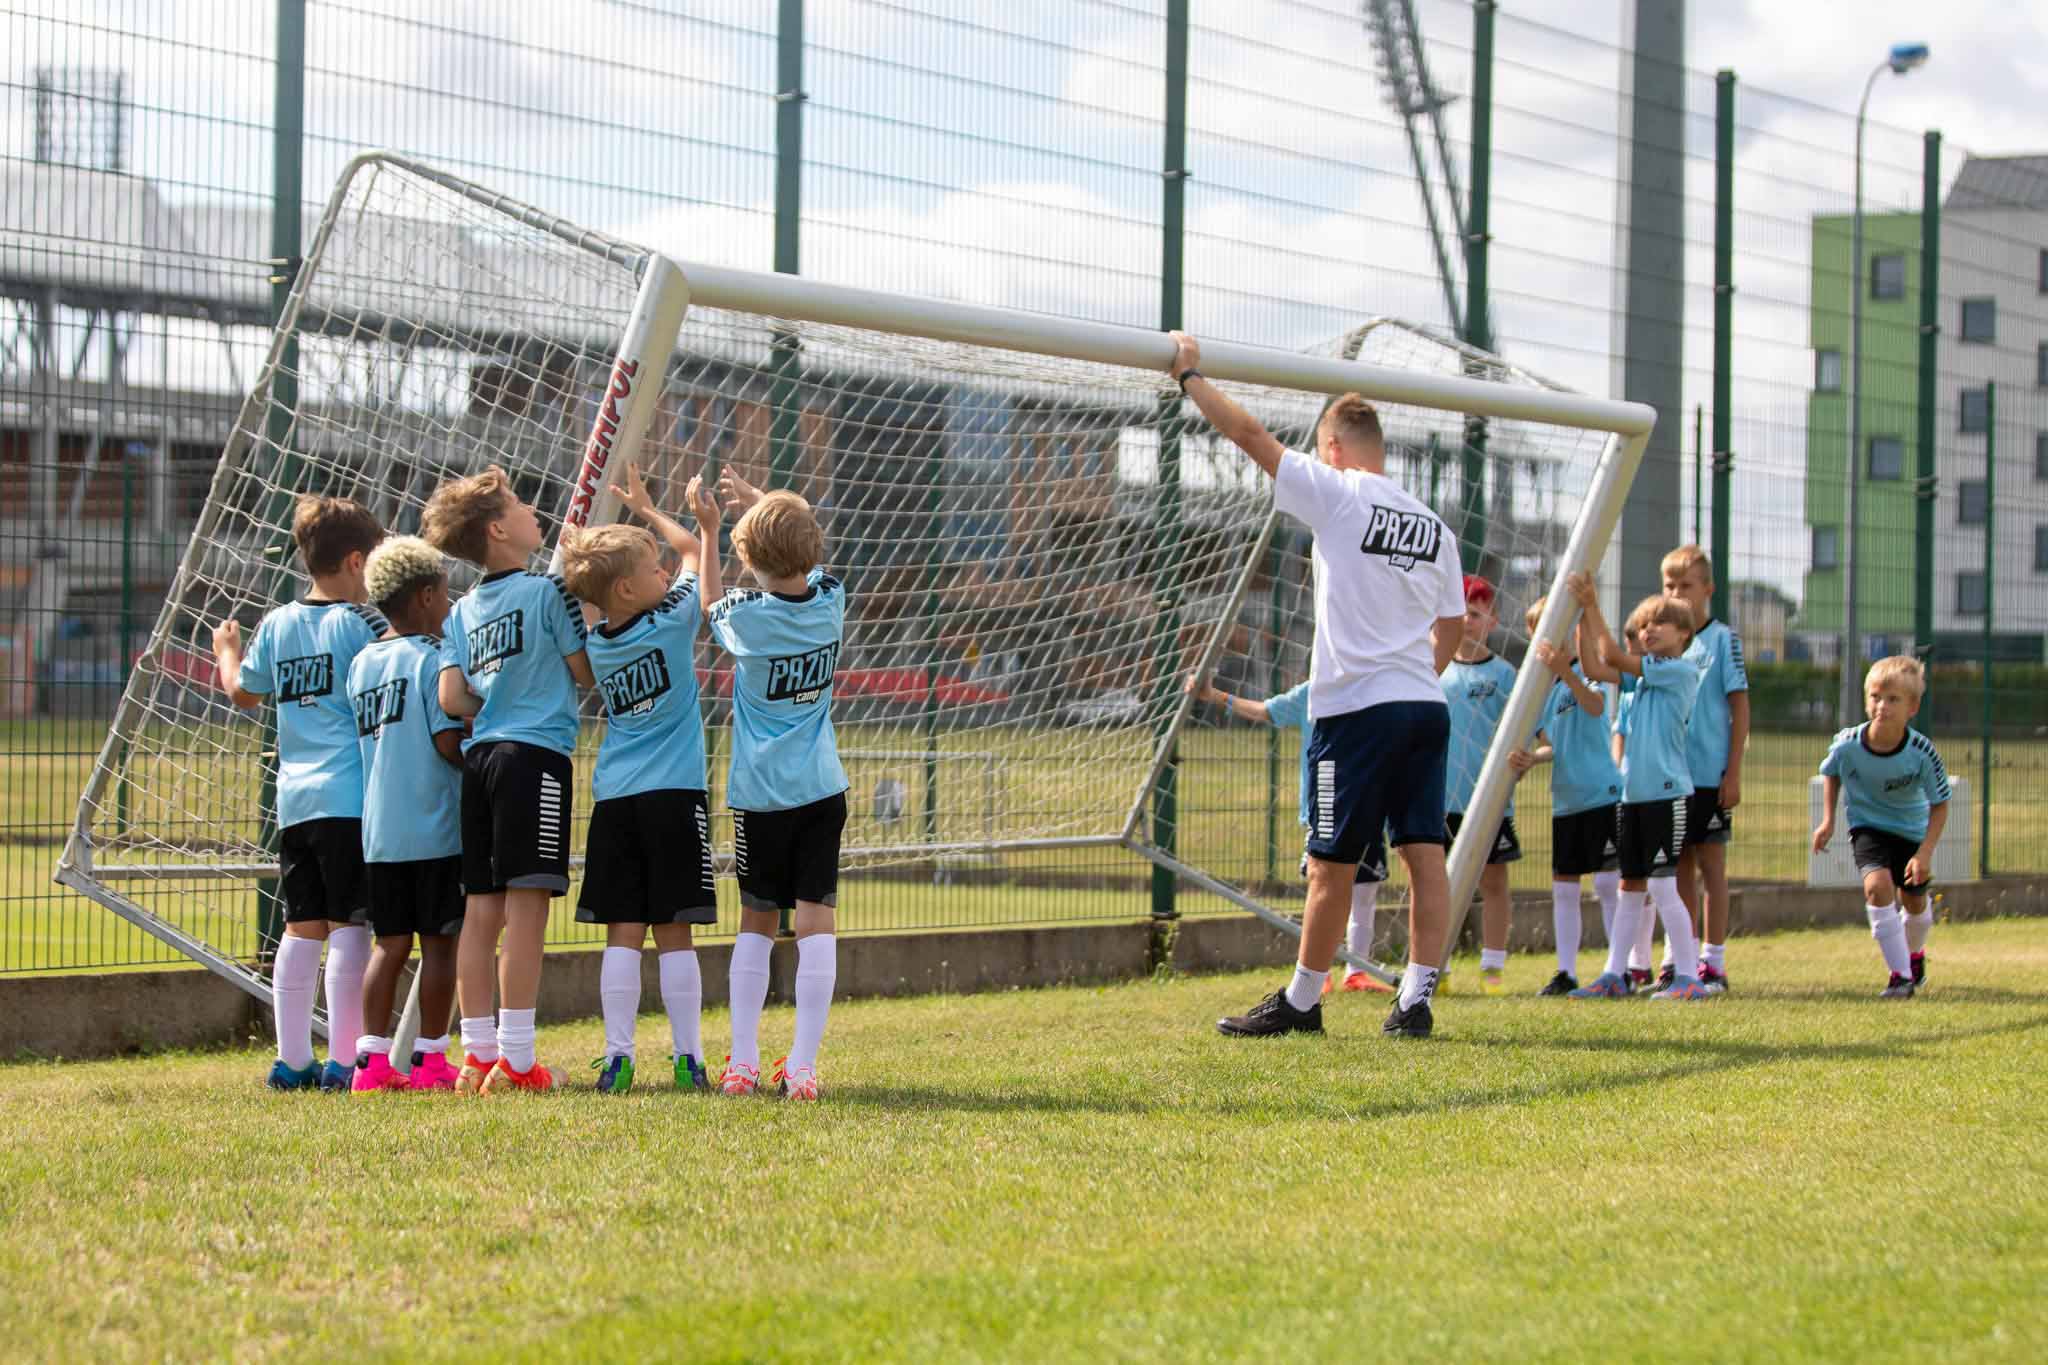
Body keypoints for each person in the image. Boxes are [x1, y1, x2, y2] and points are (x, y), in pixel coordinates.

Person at [1166, 333, 1465, 1041]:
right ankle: (1415, 1001)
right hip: (1425, 707)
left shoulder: (1337, 493)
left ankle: (1303, 1001)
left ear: (1332, 447)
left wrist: (1190, 377)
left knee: (1330, 865)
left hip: (1356, 712)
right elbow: (1452, 625)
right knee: (1425, 856)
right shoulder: (1434, 526)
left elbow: (1248, 435)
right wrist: (1415, 675)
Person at [422, 465, 596, 1094]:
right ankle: (519, 1062)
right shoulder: (548, 594)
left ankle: (477, 1055)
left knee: (480, 911)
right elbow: (585, 671)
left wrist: (495, 702)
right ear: (498, 529)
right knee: (527, 910)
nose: (532, 510)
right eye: (520, 504)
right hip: (534, 759)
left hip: (482, 763)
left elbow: (451, 699)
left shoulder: (461, 612)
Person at [209, 495, 386, 1090]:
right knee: (350, 927)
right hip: (349, 799)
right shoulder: (361, 625)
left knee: (300, 926)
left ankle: (291, 1062)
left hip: (295, 803)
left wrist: (227, 652)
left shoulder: (278, 623)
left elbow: (243, 692)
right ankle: (344, 1061)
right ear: (357, 561)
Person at [560, 465, 724, 1095]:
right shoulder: (673, 618)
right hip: (674, 797)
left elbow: (591, 594)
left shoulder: (597, 646)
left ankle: (619, 1059)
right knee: (674, 933)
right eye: (654, 570)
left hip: (616, 801)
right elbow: (691, 551)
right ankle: (688, 1060)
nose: (666, 573)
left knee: (623, 933)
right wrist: (655, 511)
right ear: (628, 588)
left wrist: (584, 554)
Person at [708, 469, 848, 1100]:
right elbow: (803, 554)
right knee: (817, 920)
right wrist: (766, 506)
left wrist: (710, 530)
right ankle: (803, 1066)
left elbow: (710, 603)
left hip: (762, 795)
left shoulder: (749, 619)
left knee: (757, 920)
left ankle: (742, 1063)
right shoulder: (831, 601)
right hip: (822, 789)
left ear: (748, 559)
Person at [345, 535, 466, 1092]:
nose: (450, 602)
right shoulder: (432, 659)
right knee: (440, 944)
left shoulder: (362, 664)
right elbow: (446, 744)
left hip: (380, 835)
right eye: (445, 591)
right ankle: (431, 1062)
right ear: (425, 596)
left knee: (389, 944)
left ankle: (370, 1063)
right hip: (434, 829)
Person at [1184, 672, 1391, 993]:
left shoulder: (1377, 689)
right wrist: (1216, 696)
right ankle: (1318, 972)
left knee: (1365, 889)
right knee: (1323, 888)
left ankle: (1356, 972)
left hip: (1368, 804)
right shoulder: (1312, 691)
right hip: (1324, 807)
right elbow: (1266, 710)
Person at [1566, 575, 1712, 1001]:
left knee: (1663, 886)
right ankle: (1615, 975)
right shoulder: (1644, 680)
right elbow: (1594, 668)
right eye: (1644, 624)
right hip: (1633, 796)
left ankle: (1689, 977)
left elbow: (1611, 654)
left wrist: (1591, 604)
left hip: (1667, 795)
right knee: (1630, 887)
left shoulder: (1679, 670)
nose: (1648, 630)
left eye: (1659, 623)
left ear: (1683, 635)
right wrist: (1581, 619)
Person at [1811, 656, 1950, 998]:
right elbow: (1831, 772)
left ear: (1912, 707)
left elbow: (1940, 803)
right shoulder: (1847, 744)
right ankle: (1899, 977)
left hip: (1912, 832)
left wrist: (1924, 853)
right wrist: (1828, 820)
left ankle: (1913, 956)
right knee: (1876, 887)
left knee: (1914, 904)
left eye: (1893, 699)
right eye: (1875, 697)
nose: (1882, 705)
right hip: (1868, 827)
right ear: (1865, 700)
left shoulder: (1922, 752)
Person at [1511, 596, 1622, 996]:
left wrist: (1566, 672)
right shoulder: (1540, 692)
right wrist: (1532, 758)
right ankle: (1566, 972)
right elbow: (1551, 745)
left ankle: (1619, 968)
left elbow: (1594, 706)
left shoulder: (1588, 672)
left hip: (1602, 794)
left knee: (1608, 884)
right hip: (1566, 800)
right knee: (1564, 887)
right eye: (1540, 632)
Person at [1663, 546, 1749, 993]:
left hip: (1708, 774)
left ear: (1708, 590)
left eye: (1686, 586)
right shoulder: (1663, 642)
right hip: (1670, 774)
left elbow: (1740, 707)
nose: (1677, 593)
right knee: (1678, 864)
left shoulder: (1721, 640)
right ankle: (1681, 957)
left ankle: (1714, 963)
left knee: (1711, 864)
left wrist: (1732, 771)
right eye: (1669, 586)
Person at [1442, 574, 1523, 996]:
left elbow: (1527, 735)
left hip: (1488, 800)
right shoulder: (1433, 671)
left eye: (1475, 614)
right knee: (1436, 885)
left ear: (1492, 620)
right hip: (1439, 799)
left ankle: (1493, 969)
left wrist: (1526, 758)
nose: (1467, 621)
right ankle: (1435, 968)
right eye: (1461, 613)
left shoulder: (1505, 675)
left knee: (1493, 883)